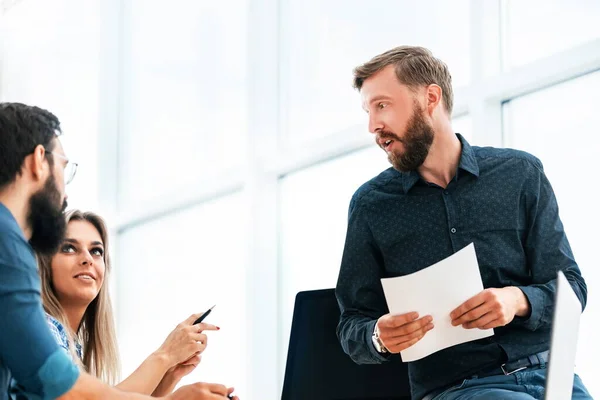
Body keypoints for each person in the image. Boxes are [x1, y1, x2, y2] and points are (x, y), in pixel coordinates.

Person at [335, 46, 592, 400]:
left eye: (382, 105)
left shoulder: (520, 174)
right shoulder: (371, 206)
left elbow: (573, 290)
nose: (373, 126)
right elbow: (352, 324)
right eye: (368, 111)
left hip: (552, 377)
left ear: (430, 98)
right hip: (457, 390)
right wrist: (378, 335)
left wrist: (516, 300)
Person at [0, 102, 237, 399]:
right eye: (64, 168)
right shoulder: (7, 244)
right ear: (38, 161)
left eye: (96, 251)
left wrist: (166, 382)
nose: (65, 192)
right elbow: (65, 391)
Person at [22, 209, 217, 396]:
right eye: (69, 248)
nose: (87, 259)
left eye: (96, 251)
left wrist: (168, 377)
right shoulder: (43, 331)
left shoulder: (71, 346)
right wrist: (164, 356)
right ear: (44, 265)